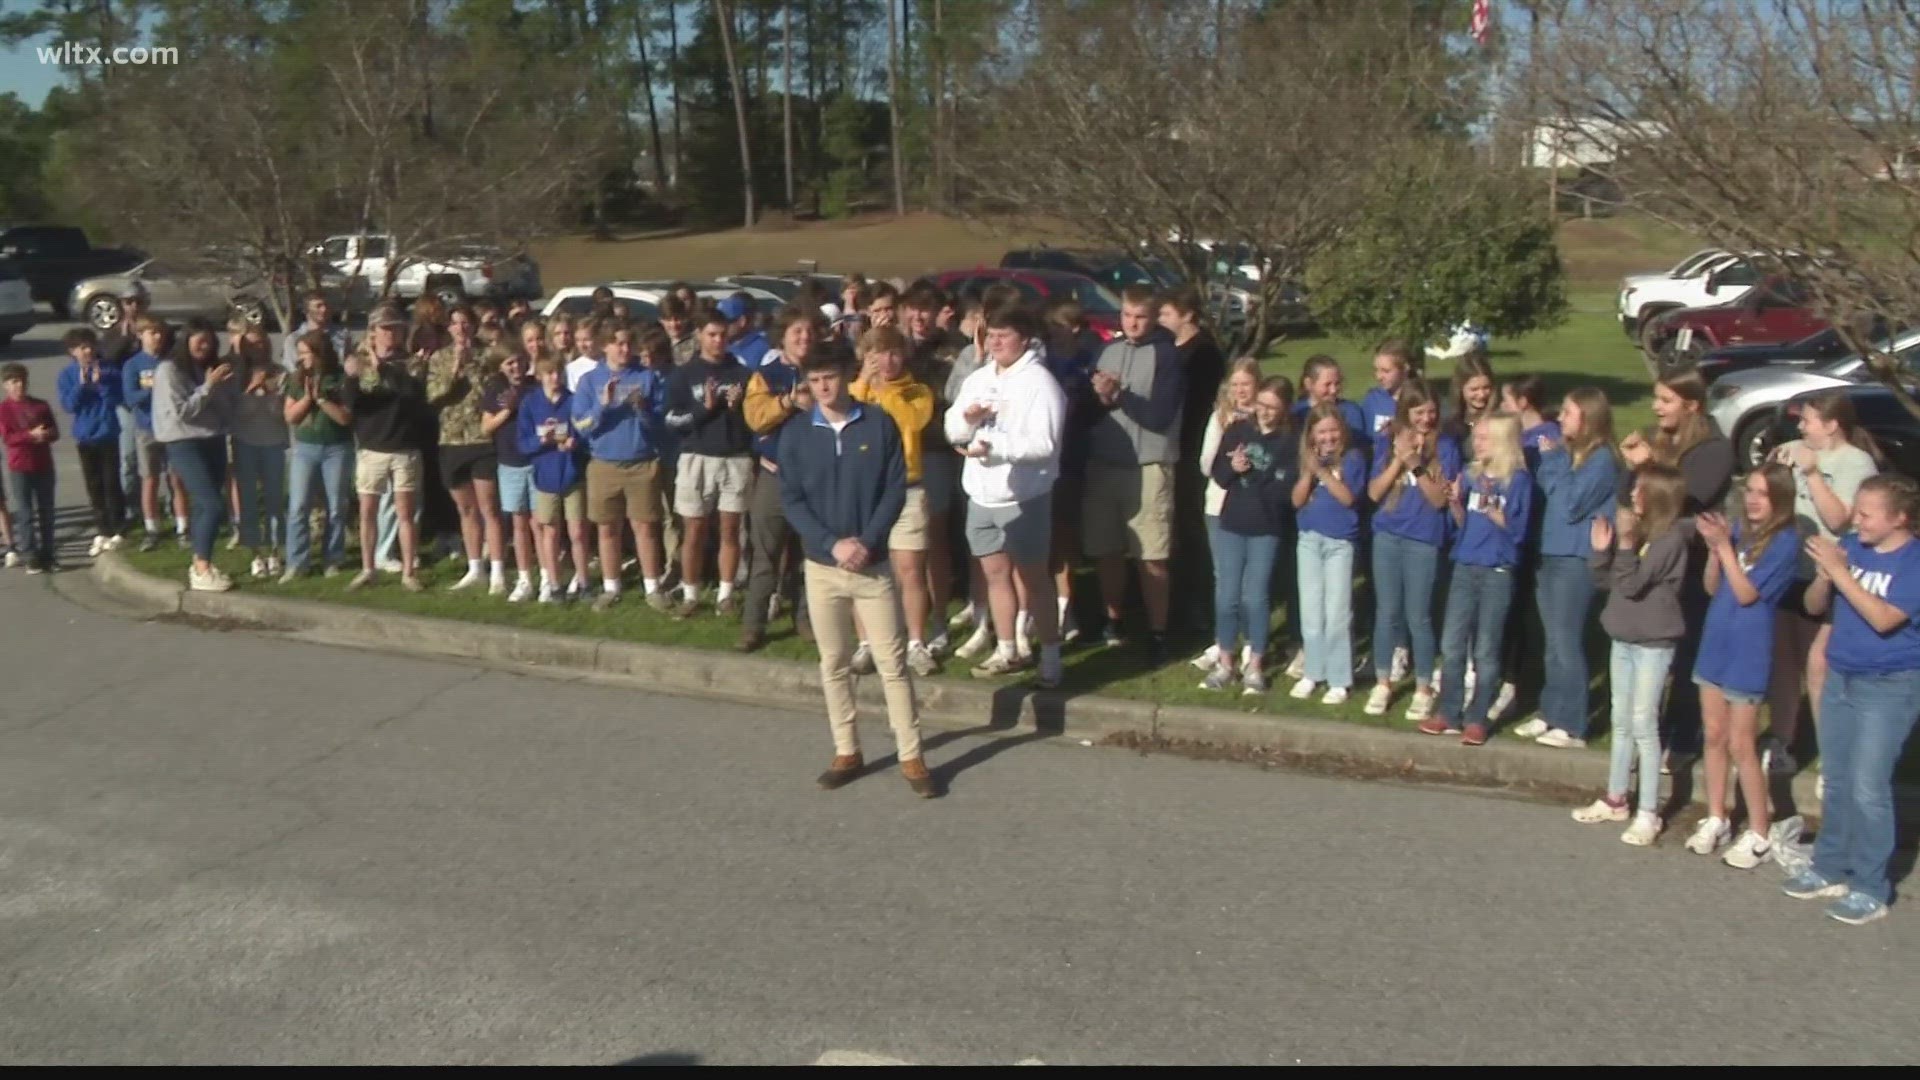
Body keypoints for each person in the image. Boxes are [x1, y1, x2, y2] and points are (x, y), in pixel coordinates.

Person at [778, 349, 933, 798]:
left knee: (892, 662)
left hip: (872, 565)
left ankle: (911, 754)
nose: (824, 386)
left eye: (830, 377)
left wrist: (867, 541)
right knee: (833, 662)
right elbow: (792, 500)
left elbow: (894, 487)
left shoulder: (879, 423)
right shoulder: (795, 434)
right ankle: (847, 749)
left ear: (846, 377)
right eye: (815, 379)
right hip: (823, 567)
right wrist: (832, 543)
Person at [1792, 475, 1920, 925]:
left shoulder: (1913, 563)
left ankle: (1870, 886)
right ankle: (1829, 866)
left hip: (1889, 685)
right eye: (1857, 511)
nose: (1857, 520)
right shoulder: (1850, 548)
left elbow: (1884, 619)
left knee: (1869, 787)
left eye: (1867, 514)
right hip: (1842, 677)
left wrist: (1841, 573)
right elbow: (1813, 605)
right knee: (1839, 778)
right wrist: (1826, 579)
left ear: (1899, 518)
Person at [944, 305, 1067, 687]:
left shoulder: (1040, 383)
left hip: (1024, 497)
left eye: (1004, 336)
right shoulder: (979, 378)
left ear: (1025, 339)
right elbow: (952, 425)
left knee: (1034, 579)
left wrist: (993, 446)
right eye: (991, 335)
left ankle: (1049, 655)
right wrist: (967, 420)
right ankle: (1007, 647)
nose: (995, 343)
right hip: (981, 495)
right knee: (994, 575)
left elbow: (1044, 444)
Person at [1621, 367, 1735, 770]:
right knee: (1649, 652)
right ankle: (1643, 735)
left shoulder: (1715, 448)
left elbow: (1687, 500)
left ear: (1692, 405)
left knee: (1686, 654)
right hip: (1652, 560)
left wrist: (1650, 467)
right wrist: (1634, 467)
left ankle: (1683, 735)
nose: (1656, 408)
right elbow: (1631, 495)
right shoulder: (1658, 440)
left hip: (1693, 565)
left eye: (1665, 401)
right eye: (1656, 398)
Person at [1571, 464, 1691, 845]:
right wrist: (1601, 552)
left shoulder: (1670, 540)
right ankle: (1616, 796)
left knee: (1643, 724)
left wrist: (1623, 547)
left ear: (1656, 496)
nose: (1632, 496)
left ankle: (1649, 812)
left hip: (1653, 644)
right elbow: (1610, 583)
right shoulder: (1638, 535)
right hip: (1622, 638)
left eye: (1639, 491)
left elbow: (1635, 583)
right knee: (1621, 720)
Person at [1764, 389, 1881, 776]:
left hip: (1825, 574)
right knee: (1783, 664)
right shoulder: (1795, 449)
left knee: (1818, 667)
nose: (1799, 427)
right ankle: (1781, 743)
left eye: (1808, 420)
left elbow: (1838, 521)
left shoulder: (1855, 463)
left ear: (1832, 425)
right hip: (1787, 568)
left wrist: (1812, 473)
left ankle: (1832, 758)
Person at [1688, 464, 1799, 867]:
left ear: (1780, 500)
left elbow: (1748, 593)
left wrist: (1723, 549)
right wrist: (1714, 549)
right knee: (1714, 736)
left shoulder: (1785, 542)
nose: (1752, 500)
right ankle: (1716, 815)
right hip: (1716, 642)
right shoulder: (1738, 531)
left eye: (1763, 494)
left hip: (1748, 650)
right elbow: (1713, 586)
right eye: (1749, 490)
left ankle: (1758, 830)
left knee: (1742, 744)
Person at [1514, 387, 1621, 748]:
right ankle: (1550, 711)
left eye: (1568, 413)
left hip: (1576, 558)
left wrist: (1553, 462)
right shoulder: (1571, 455)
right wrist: (1556, 464)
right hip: (1551, 553)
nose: (1560, 419)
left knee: (1566, 639)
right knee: (1552, 642)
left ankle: (1573, 723)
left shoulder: (1603, 459)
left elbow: (1572, 504)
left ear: (1588, 418)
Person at [1419, 413, 1534, 744]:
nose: (1477, 443)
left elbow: (1520, 532)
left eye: (1484, 438)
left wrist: (1499, 515)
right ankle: (1448, 711)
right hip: (1465, 564)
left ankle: (1477, 717)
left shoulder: (1518, 482)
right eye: (1477, 437)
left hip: (1497, 569)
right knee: (1452, 643)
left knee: (1486, 648)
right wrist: (1456, 501)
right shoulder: (1471, 474)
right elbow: (1463, 522)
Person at [1084, 285, 1184, 660]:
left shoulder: (1167, 356)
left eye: (1140, 317)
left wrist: (1119, 395)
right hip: (1104, 462)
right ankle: (1114, 621)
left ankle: (1158, 630)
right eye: (1127, 315)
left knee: (1151, 555)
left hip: (1148, 464)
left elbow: (1160, 416)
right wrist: (1099, 398)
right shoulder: (1107, 350)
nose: (1133, 323)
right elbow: (1088, 409)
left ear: (1154, 317)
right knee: (1106, 549)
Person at [1363, 379, 1458, 720]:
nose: (1427, 419)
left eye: (1432, 412)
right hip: (1387, 535)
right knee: (1387, 613)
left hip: (1423, 538)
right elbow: (1374, 493)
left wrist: (1416, 464)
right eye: (1420, 412)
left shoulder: (1445, 447)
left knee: (1418, 616)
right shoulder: (1387, 440)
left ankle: (1422, 687)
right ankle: (1384, 681)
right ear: (1407, 412)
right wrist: (1398, 460)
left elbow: (1437, 501)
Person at [851, 326, 938, 674]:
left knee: (909, 570)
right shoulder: (857, 391)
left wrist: (884, 391)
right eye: (878, 354)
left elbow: (911, 421)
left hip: (907, 490)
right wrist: (863, 383)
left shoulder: (917, 391)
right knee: (864, 569)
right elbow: (844, 415)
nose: (886, 362)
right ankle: (866, 643)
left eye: (893, 353)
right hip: (866, 493)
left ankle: (915, 642)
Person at [1202, 375, 1296, 694]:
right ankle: (1225, 661)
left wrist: (1257, 479)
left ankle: (1254, 663)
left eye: (1273, 407)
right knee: (1226, 596)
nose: (1265, 412)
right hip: (1232, 522)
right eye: (1261, 405)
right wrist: (1234, 468)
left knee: (1255, 597)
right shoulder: (1238, 431)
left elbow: (1283, 487)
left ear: (1284, 409)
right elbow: (1219, 473)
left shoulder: (1289, 441)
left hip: (1266, 527)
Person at [573, 320, 672, 610]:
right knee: (607, 528)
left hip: (641, 462)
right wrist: (602, 405)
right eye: (618, 343)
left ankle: (652, 587)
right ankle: (610, 586)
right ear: (605, 346)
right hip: (604, 463)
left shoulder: (647, 377)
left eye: (629, 343)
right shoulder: (590, 381)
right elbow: (581, 426)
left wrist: (642, 409)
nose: (625, 349)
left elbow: (660, 424)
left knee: (645, 527)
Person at [739, 306, 819, 651]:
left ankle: (806, 619)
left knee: (812, 554)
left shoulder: (826, 372)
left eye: (809, 332)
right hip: (774, 477)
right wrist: (788, 401)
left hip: (815, 478)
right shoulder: (766, 375)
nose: (804, 338)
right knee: (765, 556)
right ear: (783, 337)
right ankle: (753, 625)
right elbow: (756, 419)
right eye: (796, 332)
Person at [666, 308, 755, 616]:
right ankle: (691, 594)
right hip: (696, 458)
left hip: (735, 458)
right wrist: (704, 409)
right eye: (711, 335)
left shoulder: (742, 373)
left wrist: (735, 408)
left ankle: (726, 595)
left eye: (722, 335)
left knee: (731, 529)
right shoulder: (684, 373)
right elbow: (671, 420)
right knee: (694, 529)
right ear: (700, 336)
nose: (718, 341)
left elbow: (754, 419)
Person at [1289, 400, 1368, 704]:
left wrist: (1322, 472)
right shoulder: (1308, 461)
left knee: (1337, 613)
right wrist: (1309, 472)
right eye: (1321, 433)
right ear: (1311, 436)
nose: (1328, 438)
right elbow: (1297, 500)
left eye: (1333, 431)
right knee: (1311, 611)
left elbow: (1348, 498)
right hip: (1309, 539)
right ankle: (1313, 671)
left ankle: (1339, 678)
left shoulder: (1353, 459)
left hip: (1339, 543)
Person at [343, 307, 426, 592]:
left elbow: (412, 396)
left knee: (405, 512)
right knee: (368, 511)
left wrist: (386, 371)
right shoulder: (361, 364)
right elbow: (357, 403)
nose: (392, 334)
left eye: (397, 328)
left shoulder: (411, 362)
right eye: (386, 328)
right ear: (373, 332)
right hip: (372, 446)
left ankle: (408, 570)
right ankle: (368, 568)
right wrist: (361, 375)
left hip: (404, 447)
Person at [152, 321, 237, 592]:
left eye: (209, 341)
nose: (205, 346)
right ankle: (201, 569)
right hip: (183, 441)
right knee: (211, 504)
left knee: (205, 507)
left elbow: (223, 408)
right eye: (199, 341)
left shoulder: (210, 368)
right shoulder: (169, 370)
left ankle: (202, 563)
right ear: (185, 341)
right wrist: (208, 386)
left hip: (213, 438)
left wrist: (221, 386)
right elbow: (181, 412)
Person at [427, 305, 506, 593]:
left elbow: (499, 390)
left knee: (489, 508)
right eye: (455, 323)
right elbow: (434, 396)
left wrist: (477, 366)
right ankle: (475, 568)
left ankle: (497, 570)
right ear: (449, 328)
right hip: (451, 441)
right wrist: (455, 369)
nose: (460, 328)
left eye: (465, 323)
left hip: (482, 440)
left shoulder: (488, 355)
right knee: (466, 509)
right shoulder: (439, 358)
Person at [903, 283, 964, 652]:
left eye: (926, 309)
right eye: (913, 309)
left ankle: (938, 618)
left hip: (937, 451)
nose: (919, 317)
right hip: (898, 454)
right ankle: (906, 620)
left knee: (935, 536)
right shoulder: (895, 348)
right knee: (902, 545)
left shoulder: (954, 351)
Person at [1190, 359, 1262, 674]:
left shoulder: (1265, 418)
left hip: (1254, 507)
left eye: (1246, 384)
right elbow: (1206, 463)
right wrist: (1230, 457)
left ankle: (1250, 640)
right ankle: (1224, 640)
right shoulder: (1219, 418)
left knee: (1251, 582)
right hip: (1219, 505)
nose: (1240, 391)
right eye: (1234, 385)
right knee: (1225, 579)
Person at [1043, 296, 1103, 646]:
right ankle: (1045, 609)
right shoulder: (1043, 367)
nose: (1059, 338)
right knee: (1045, 543)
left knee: (1065, 541)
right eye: (1053, 333)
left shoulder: (1083, 367)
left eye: (1064, 332)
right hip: (1043, 466)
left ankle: (1068, 610)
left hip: (1072, 463)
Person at [281, 330, 355, 581]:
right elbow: (290, 416)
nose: (302, 359)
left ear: (319, 353)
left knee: (336, 506)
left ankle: (332, 558)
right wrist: (307, 400)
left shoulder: (340, 379)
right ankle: (297, 561)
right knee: (298, 506)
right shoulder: (297, 378)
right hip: (305, 448)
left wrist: (322, 400)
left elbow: (345, 418)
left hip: (337, 448)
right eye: (300, 354)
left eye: (306, 353)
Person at [519, 353, 593, 604]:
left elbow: (585, 431)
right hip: (546, 475)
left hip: (572, 473)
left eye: (558, 372)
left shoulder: (572, 401)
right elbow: (523, 442)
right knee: (549, 531)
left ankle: (584, 583)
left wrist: (575, 442)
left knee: (578, 531)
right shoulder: (530, 403)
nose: (555, 378)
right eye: (549, 373)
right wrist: (541, 441)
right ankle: (554, 584)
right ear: (539, 376)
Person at [55, 327, 126, 555]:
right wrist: (82, 385)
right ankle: (102, 529)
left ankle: (118, 528)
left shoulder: (109, 370)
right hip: (85, 435)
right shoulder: (67, 375)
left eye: (90, 346)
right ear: (72, 352)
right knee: (94, 485)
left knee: (111, 482)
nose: (87, 352)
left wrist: (102, 384)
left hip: (107, 432)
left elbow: (119, 398)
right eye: (81, 348)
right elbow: (69, 405)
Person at [227, 321, 289, 579]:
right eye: (251, 344)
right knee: (250, 502)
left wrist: (273, 393)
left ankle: (275, 552)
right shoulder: (237, 375)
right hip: (245, 443)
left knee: (275, 500)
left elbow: (282, 414)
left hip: (274, 443)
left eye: (261, 342)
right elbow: (236, 414)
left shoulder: (281, 372)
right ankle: (256, 554)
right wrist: (253, 389)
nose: (257, 348)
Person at [121, 316, 189, 550]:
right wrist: (151, 390)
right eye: (152, 333)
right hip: (146, 428)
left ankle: (183, 526)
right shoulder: (133, 365)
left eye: (160, 333)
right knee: (150, 479)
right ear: (140, 335)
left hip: (171, 428)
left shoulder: (171, 362)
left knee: (176, 478)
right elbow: (130, 398)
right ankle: (152, 527)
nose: (157, 338)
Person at [482, 326, 540, 602]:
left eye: (519, 361)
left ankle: (549, 577)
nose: (516, 367)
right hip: (510, 463)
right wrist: (508, 409)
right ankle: (524, 577)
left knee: (540, 522)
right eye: (509, 363)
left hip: (537, 460)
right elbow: (486, 426)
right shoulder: (495, 390)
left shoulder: (534, 386)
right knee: (518, 522)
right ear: (501, 367)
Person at [0, 363, 59, 573]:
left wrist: (46, 433)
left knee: (47, 511)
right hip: (20, 466)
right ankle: (30, 554)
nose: (19, 386)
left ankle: (49, 553)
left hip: (43, 464)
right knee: (25, 512)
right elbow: (8, 437)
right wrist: (30, 435)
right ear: (6, 385)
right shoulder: (4, 409)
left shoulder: (40, 405)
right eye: (14, 382)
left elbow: (55, 431)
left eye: (22, 381)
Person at [280, 290, 352, 371]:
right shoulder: (293, 339)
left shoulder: (342, 334)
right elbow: (291, 369)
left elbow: (349, 363)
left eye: (326, 305)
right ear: (306, 310)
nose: (324, 309)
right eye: (318, 306)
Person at [1362, 341, 1414, 441]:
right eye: (1376, 370)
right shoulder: (1373, 400)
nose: (1379, 377)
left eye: (1386, 371)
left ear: (1405, 369)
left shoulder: (1420, 397)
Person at [1441, 351, 1497, 442]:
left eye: (1486, 388)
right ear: (1461, 388)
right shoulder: (1450, 424)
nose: (1481, 395)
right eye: (1474, 389)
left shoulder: (1501, 420)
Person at [717, 295, 771, 368]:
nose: (720, 326)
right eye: (717, 322)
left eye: (725, 322)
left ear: (741, 321)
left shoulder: (763, 349)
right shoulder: (720, 344)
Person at [566, 316, 604, 392]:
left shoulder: (611, 362)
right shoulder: (572, 368)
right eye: (578, 340)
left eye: (586, 340)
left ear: (598, 338)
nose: (582, 345)